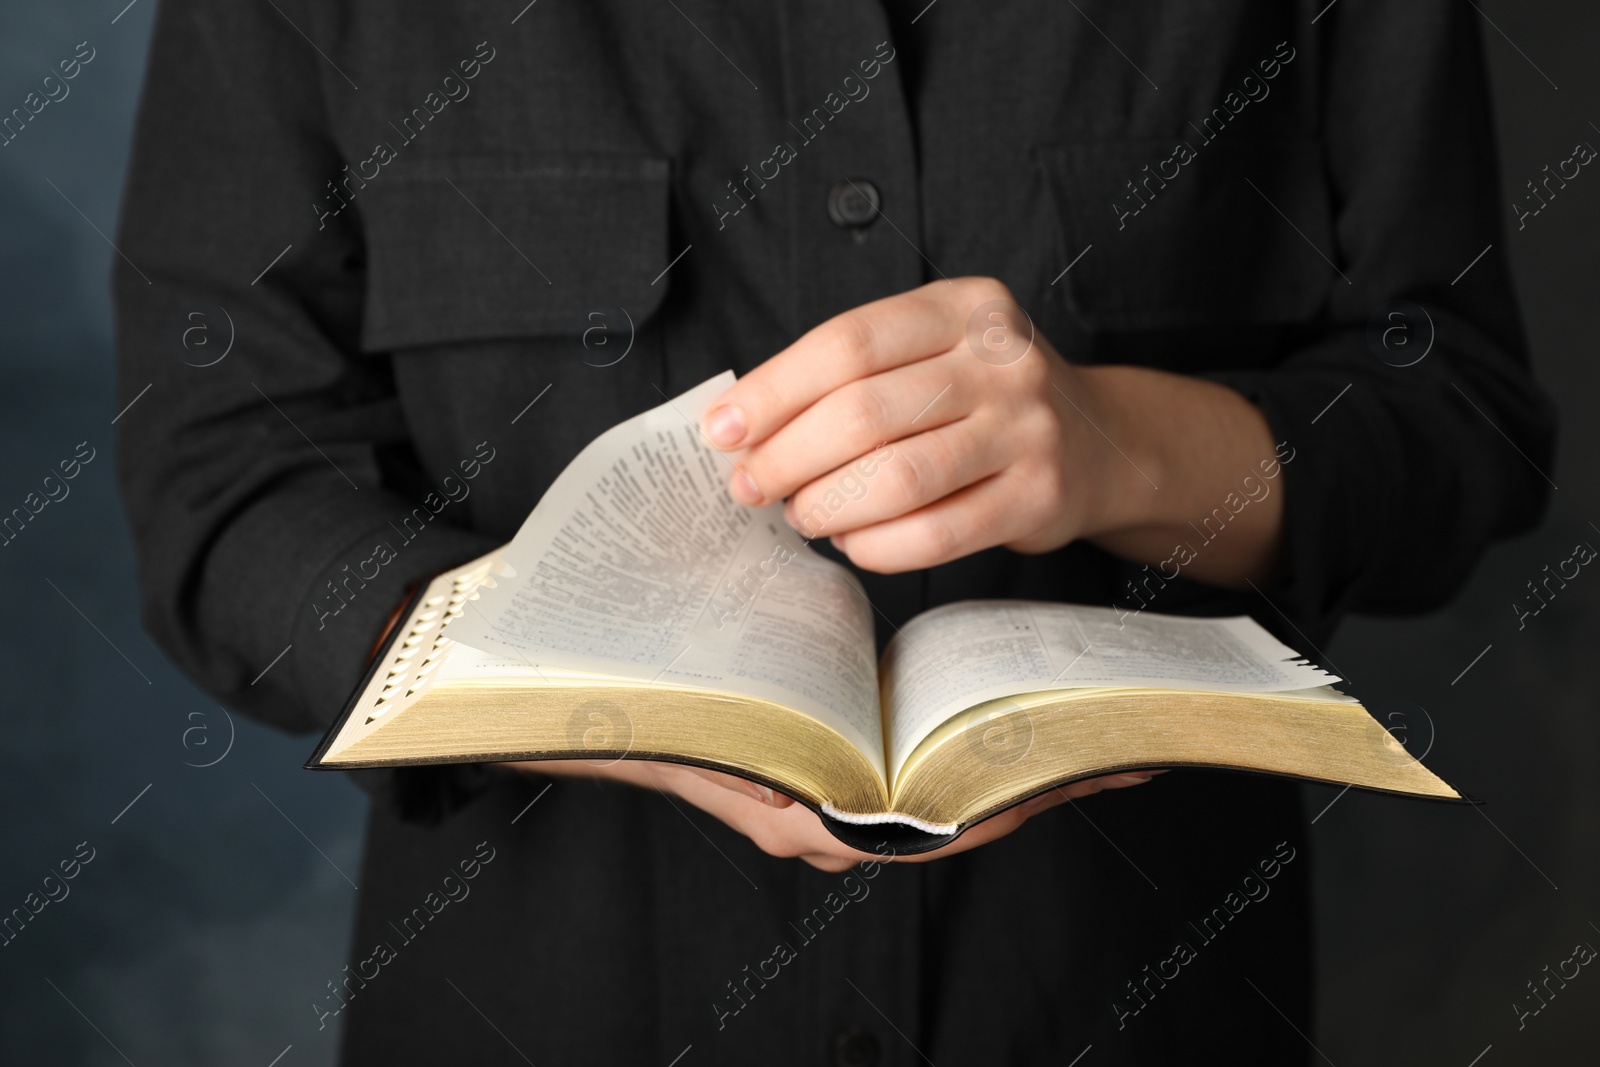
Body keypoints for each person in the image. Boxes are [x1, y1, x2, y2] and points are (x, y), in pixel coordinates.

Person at [114, 0, 1554, 1062]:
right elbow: (221, 476)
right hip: (536, 1005)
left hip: (1138, 1002)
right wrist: (595, 697)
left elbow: (1458, 422)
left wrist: (1116, 441)